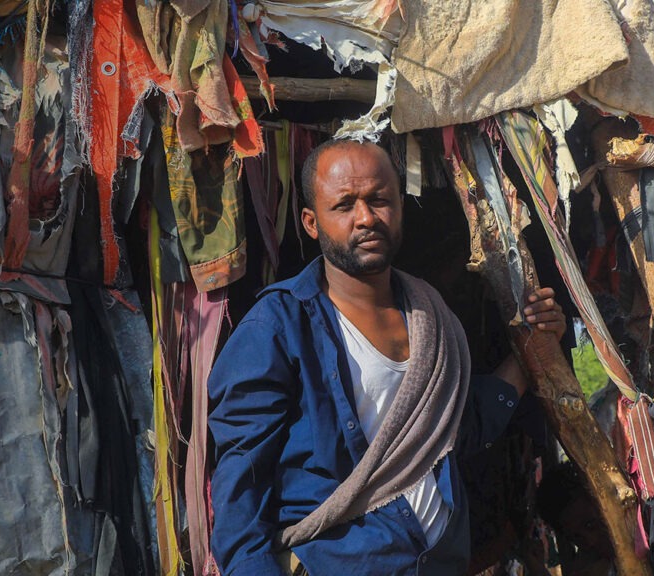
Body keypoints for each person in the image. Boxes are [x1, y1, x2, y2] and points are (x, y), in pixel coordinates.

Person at [208, 140, 566, 576]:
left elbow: (455, 433)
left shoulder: (430, 314)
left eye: (379, 200)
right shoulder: (277, 328)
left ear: (400, 205)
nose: (366, 218)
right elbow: (241, 487)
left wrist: (534, 342)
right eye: (344, 205)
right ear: (311, 222)